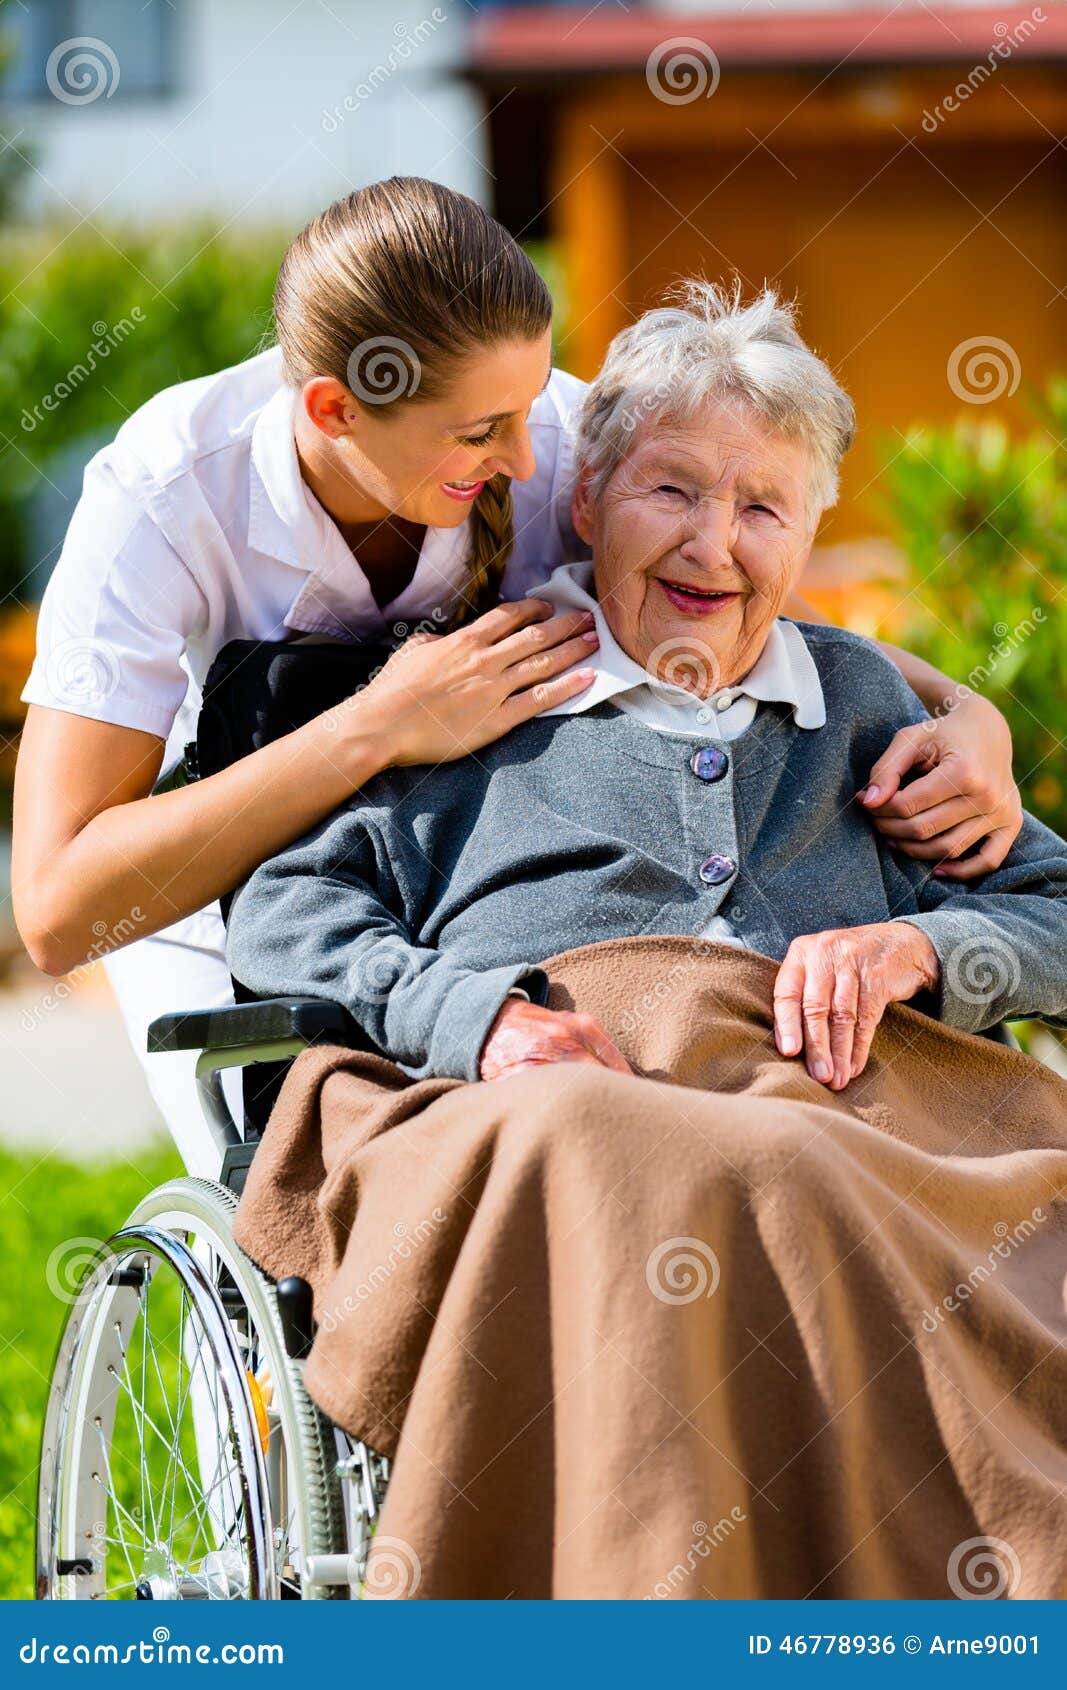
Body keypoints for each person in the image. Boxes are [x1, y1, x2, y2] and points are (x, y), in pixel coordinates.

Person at [12, 180, 1022, 1174]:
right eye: (478, 436)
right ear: (334, 410)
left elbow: (743, 604)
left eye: (528, 407)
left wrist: (962, 710)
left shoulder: (546, 436)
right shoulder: (168, 494)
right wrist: (378, 726)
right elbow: (59, 912)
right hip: (225, 875)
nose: (528, 461)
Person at [227, 282, 1067, 1085]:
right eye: (672, 489)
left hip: (883, 1161)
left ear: (808, 537)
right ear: (587, 500)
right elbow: (288, 907)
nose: (712, 546)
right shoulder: (479, 693)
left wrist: (920, 950)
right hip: (584, 1154)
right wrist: (470, 1018)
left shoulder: (859, 708)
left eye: (763, 510)